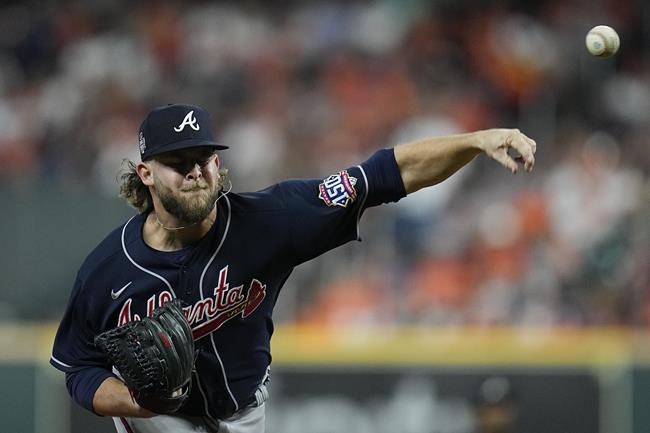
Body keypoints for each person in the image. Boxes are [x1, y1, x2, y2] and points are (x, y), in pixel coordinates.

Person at [50, 103, 536, 433]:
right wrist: (136, 402)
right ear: (146, 173)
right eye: (180, 161)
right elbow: (78, 368)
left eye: (205, 158)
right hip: (157, 424)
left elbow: (384, 175)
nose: (197, 171)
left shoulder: (269, 220)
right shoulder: (108, 270)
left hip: (242, 415)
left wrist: (475, 140)